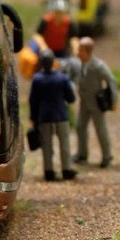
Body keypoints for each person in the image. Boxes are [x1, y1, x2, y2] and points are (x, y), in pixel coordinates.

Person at [68, 37, 118, 168]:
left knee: (100, 130)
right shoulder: (80, 63)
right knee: (80, 126)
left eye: (80, 50)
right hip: (84, 102)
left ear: (87, 51)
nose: (78, 52)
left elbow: (111, 80)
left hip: (96, 103)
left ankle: (107, 156)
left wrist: (113, 100)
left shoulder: (98, 66)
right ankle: (82, 154)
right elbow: (75, 77)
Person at [29, 49, 77, 181]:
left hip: (44, 116)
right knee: (64, 143)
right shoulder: (62, 78)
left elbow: (33, 100)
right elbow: (71, 98)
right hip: (61, 115)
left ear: (41, 63)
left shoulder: (37, 79)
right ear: (53, 62)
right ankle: (67, 169)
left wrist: (33, 117)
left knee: (47, 145)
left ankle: (48, 171)